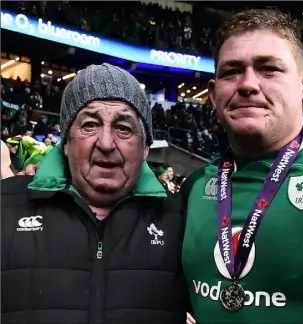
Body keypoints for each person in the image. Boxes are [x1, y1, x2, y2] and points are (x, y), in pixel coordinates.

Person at [181, 9, 303, 323]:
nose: (248, 84)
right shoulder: (194, 187)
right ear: (212, 94)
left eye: (268, 69)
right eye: (232, 72)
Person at [1, 63, 188, 323]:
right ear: (66, 142)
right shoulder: (5, 207)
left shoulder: (181, 219)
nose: (107, 143)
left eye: (124, 127)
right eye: (90, 124)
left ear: (145, 148)